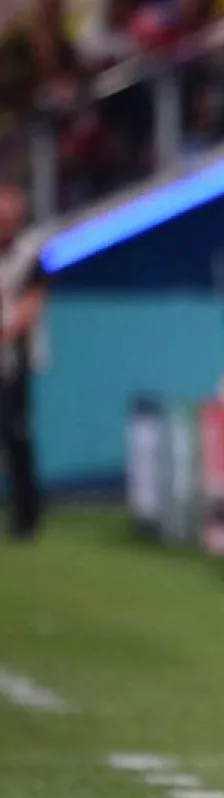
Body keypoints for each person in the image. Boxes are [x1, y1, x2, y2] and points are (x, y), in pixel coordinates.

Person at [0, 184, 45, 541]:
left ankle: (26, 516)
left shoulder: (29, 256)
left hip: (14, 360)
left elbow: (32, 305)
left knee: (17, 435)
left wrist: (8, 332)